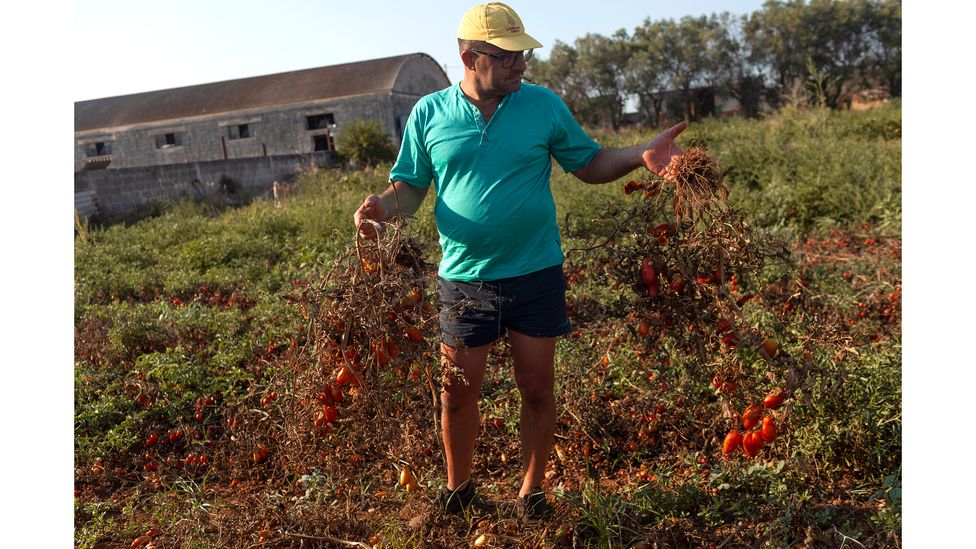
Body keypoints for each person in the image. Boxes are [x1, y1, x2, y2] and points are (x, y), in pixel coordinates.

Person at [353, 1, 686, 522]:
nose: (521, 65)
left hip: (535, 272)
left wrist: (640, 152)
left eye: (522, 55)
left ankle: (531, 492)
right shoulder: (429, 114)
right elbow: (412, 189)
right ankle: (458, 490)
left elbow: (590, 163)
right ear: (470, 56)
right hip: (464, 279)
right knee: (457, 396)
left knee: (536, 388)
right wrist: (381, 207)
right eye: (508, 56)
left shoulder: (542, 106)